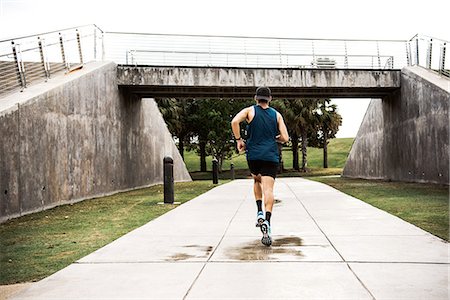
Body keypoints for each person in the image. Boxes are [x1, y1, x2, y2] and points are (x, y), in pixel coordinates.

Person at [231, 86, 289, 246]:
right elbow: (285, 137)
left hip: (254, 155)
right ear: (269, 99)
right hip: (270, 155)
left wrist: (239, 140)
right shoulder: (277, 115)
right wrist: (274, 137)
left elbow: (234, 121)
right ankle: (268, 222)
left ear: (256, 98)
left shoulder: (250, 111)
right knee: (269, 189)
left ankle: (259, 213)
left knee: (256, 181)